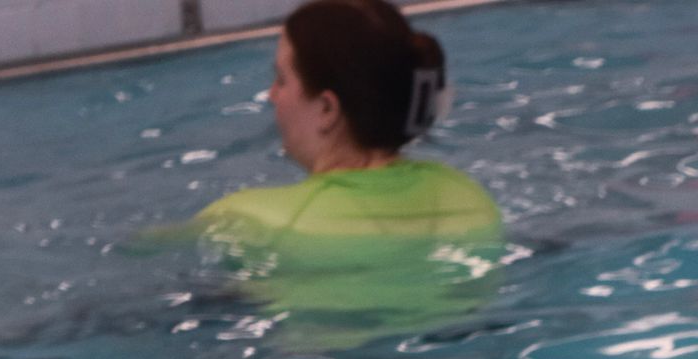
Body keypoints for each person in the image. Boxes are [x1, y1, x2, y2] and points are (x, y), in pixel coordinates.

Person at [194, 1, 501, 254]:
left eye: (282, 80)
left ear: (327, 109)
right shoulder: (470, 200)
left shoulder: (251, 223)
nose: (272, 95)